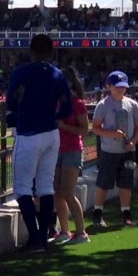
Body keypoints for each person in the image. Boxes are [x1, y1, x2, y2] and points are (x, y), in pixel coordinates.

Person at [5, 34, 73, 253]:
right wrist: (52, 116)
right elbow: (67, 107)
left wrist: (16, 119)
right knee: (45, 186)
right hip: (51, 133)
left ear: (31, 51)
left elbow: (11, 103)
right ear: (51, 52)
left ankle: (35, 239)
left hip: (28, 133)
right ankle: (43, 237)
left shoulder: (22, 73)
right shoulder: (57, 74)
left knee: (22, 188)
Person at [90, 70, 138, 229]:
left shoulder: (132, 104)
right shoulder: (103, 105)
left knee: (126, 183)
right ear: (110, 86)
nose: (121, 89)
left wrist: (133, 141)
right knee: (104, 183)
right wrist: (113, 134)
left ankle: (126, 212)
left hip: (127, 152)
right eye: (117, 86)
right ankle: (98, 212)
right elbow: (96, 128)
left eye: (123, 87)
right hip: (109, 151)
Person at [53, 69, 90, 244]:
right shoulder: (56, 103)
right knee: (57, 193)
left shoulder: (77, 103)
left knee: (67, 192)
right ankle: (64, 231)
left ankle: (81, 232)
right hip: (56, 150)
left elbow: (84, 129)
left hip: (72, 150)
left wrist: (64, 126)